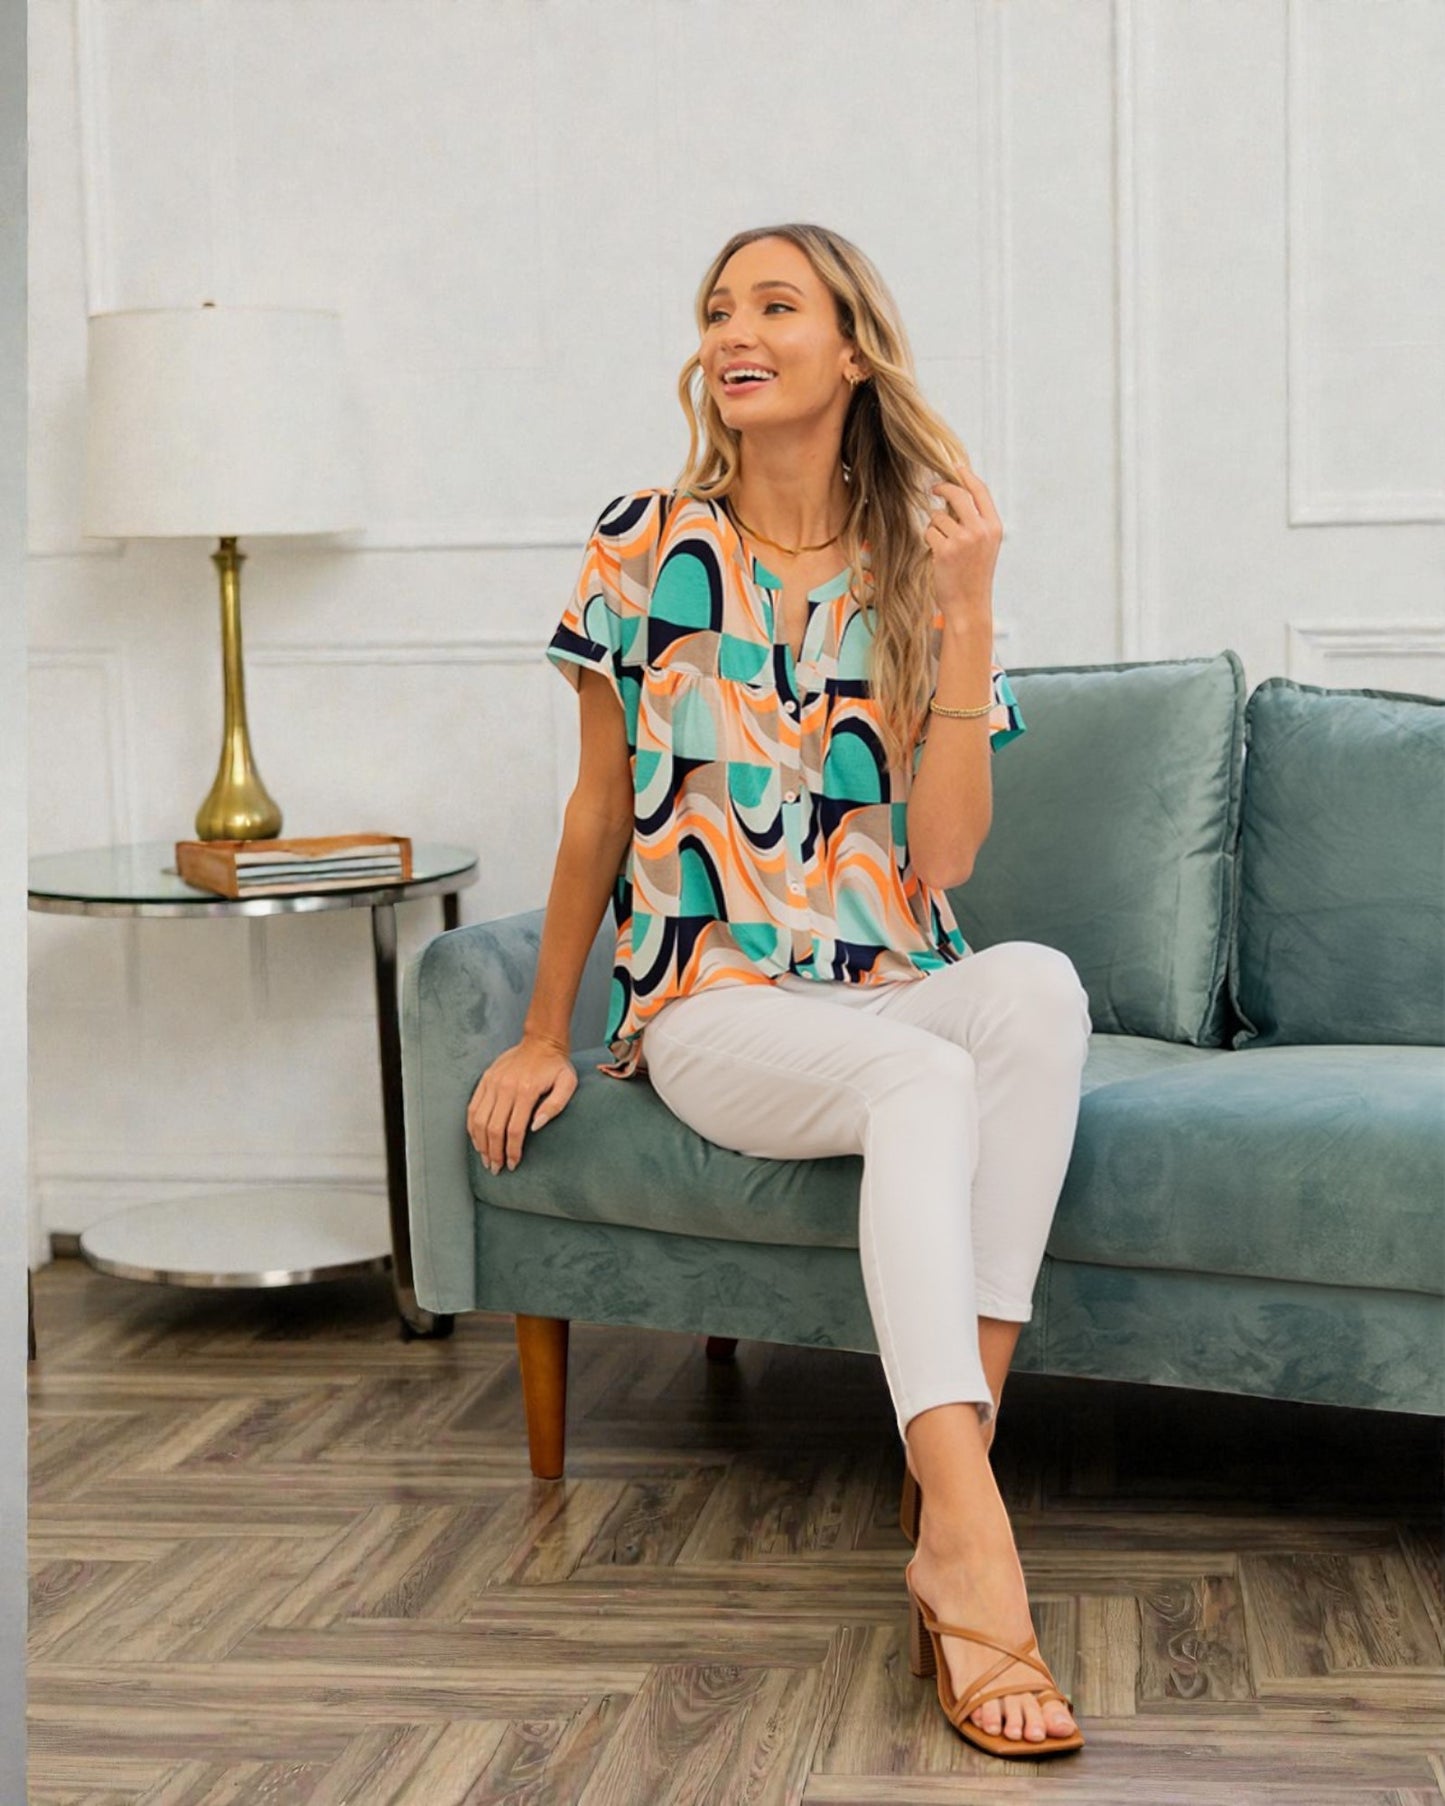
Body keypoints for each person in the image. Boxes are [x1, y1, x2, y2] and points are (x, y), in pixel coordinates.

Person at [467, 222, 1092, 1759]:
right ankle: (976, 1545)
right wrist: (548, 1027)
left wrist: (966, 608)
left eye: (773, 305)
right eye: (714, 309)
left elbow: (941, 859)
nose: (730, 331)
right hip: (715, 1005)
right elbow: (598, 810)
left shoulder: (911, 567)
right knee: (923, 1083)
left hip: (887, 980)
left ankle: (948, 1483)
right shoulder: (642, 544)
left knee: (1034, 992)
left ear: (852, 349)